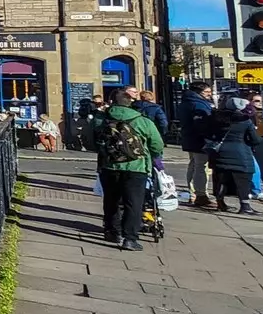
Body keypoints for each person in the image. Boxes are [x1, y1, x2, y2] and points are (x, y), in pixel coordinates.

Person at [86, 88, 164, 249]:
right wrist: (152, 156)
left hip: (108, 165)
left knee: (111, 200)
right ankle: (130, 238)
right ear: (130, 103)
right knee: (133, 203)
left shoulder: (101, 119)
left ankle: (112, 232)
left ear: (112, 102)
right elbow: (157, 145)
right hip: (137, 167)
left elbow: (89, 141)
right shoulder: (143, 121)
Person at [204, 95, 263, 215]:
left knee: (220, 179)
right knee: (243, 180)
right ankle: (245, 206)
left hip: (219, 153)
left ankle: (220, 203)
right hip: (241, 154)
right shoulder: (245, 121)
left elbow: (208, 133)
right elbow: (255, 139)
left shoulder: (215, 119)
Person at [180, 80, 217, 209]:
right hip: (200, 140)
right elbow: (203, 122)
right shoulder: (198, 104)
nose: (209, 94)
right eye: (206, 92)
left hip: (190, 137)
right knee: (201, 167)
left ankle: (193, 194)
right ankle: (201, 195)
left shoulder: (187, 101)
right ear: (198, 92)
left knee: (194, 165)